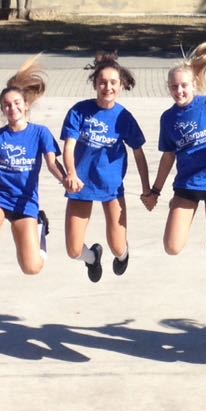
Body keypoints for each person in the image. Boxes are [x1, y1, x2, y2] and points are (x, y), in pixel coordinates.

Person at [0, 58, 67, 275]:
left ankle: (40, 227)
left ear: (26, 104)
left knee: (32, 267)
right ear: (2, 109)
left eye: (17, 103)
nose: (13, 108)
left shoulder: (40, 133)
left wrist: (66, 180)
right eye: (7, 105)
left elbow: (52, 162)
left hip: (25, 201)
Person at [60, 53, 152, 282]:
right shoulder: (79, 111)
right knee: (73, 250)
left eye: (113, 82)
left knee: (118, 248)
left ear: (121, 85)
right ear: (95, 84)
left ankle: (124, 253)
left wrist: (147, 190)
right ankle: (92, 257)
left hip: (111, 188)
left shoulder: (124, 118)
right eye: (102, 82)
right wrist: (71, 173)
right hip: (81, 186)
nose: (107, 87)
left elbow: (139, 155)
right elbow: (69, 147)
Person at [148, 42, 206, 261]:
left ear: (193, 84)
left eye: (184, 85)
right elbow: (168, 156)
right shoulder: (168, 118)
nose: (179, 91)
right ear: (168, 87)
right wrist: (155, 191)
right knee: (172, 247)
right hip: (187, 184)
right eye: (174, 87)